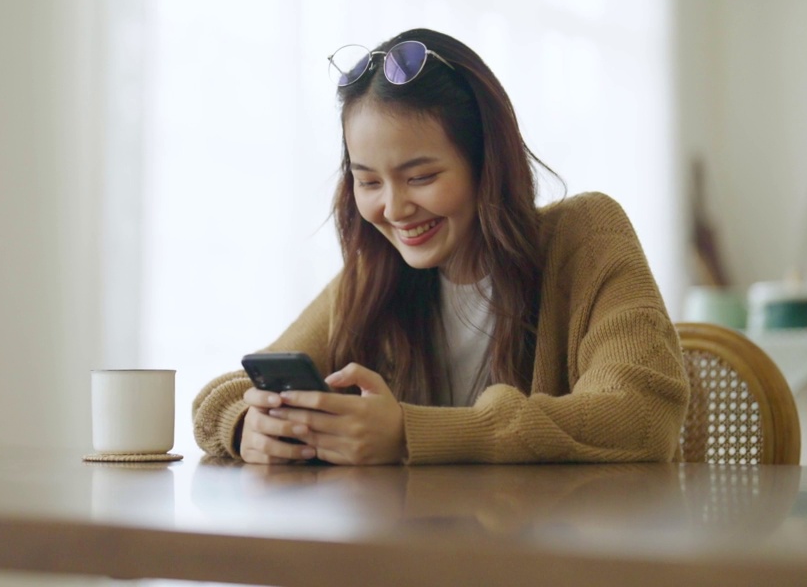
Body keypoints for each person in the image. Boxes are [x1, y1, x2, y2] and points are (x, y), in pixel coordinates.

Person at [193, 28, 688, 465]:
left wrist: (410, 433)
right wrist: (247, 427)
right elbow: (221, 395)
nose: (394, 208)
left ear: (487, 164)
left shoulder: (585, 236)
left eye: (421, 177)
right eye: (368, 182)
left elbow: (639, 414)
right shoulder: (375, 275)